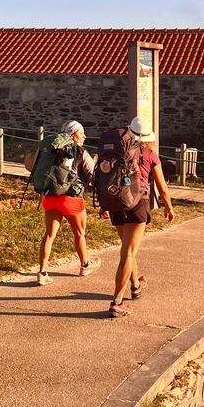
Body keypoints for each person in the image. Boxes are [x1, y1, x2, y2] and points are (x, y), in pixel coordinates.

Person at [108, 118, 174, 318]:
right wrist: (168, 206)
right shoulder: (150, 154)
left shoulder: (117, 150)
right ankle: (117, 302)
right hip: (137, 204)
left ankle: (135, 286)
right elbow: (162, 187)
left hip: (117, 203)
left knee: (128, 248)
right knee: (128, 252)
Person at [37, 120, 101, 285]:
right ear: (73, 134)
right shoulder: (80, 151)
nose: (84, 136)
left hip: (51, 197)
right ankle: (85, 265)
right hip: (71, 199)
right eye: (81, 133)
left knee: (49, 235)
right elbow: (92, 174)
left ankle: (42, 273)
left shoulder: (50, 149)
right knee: (79, 233)